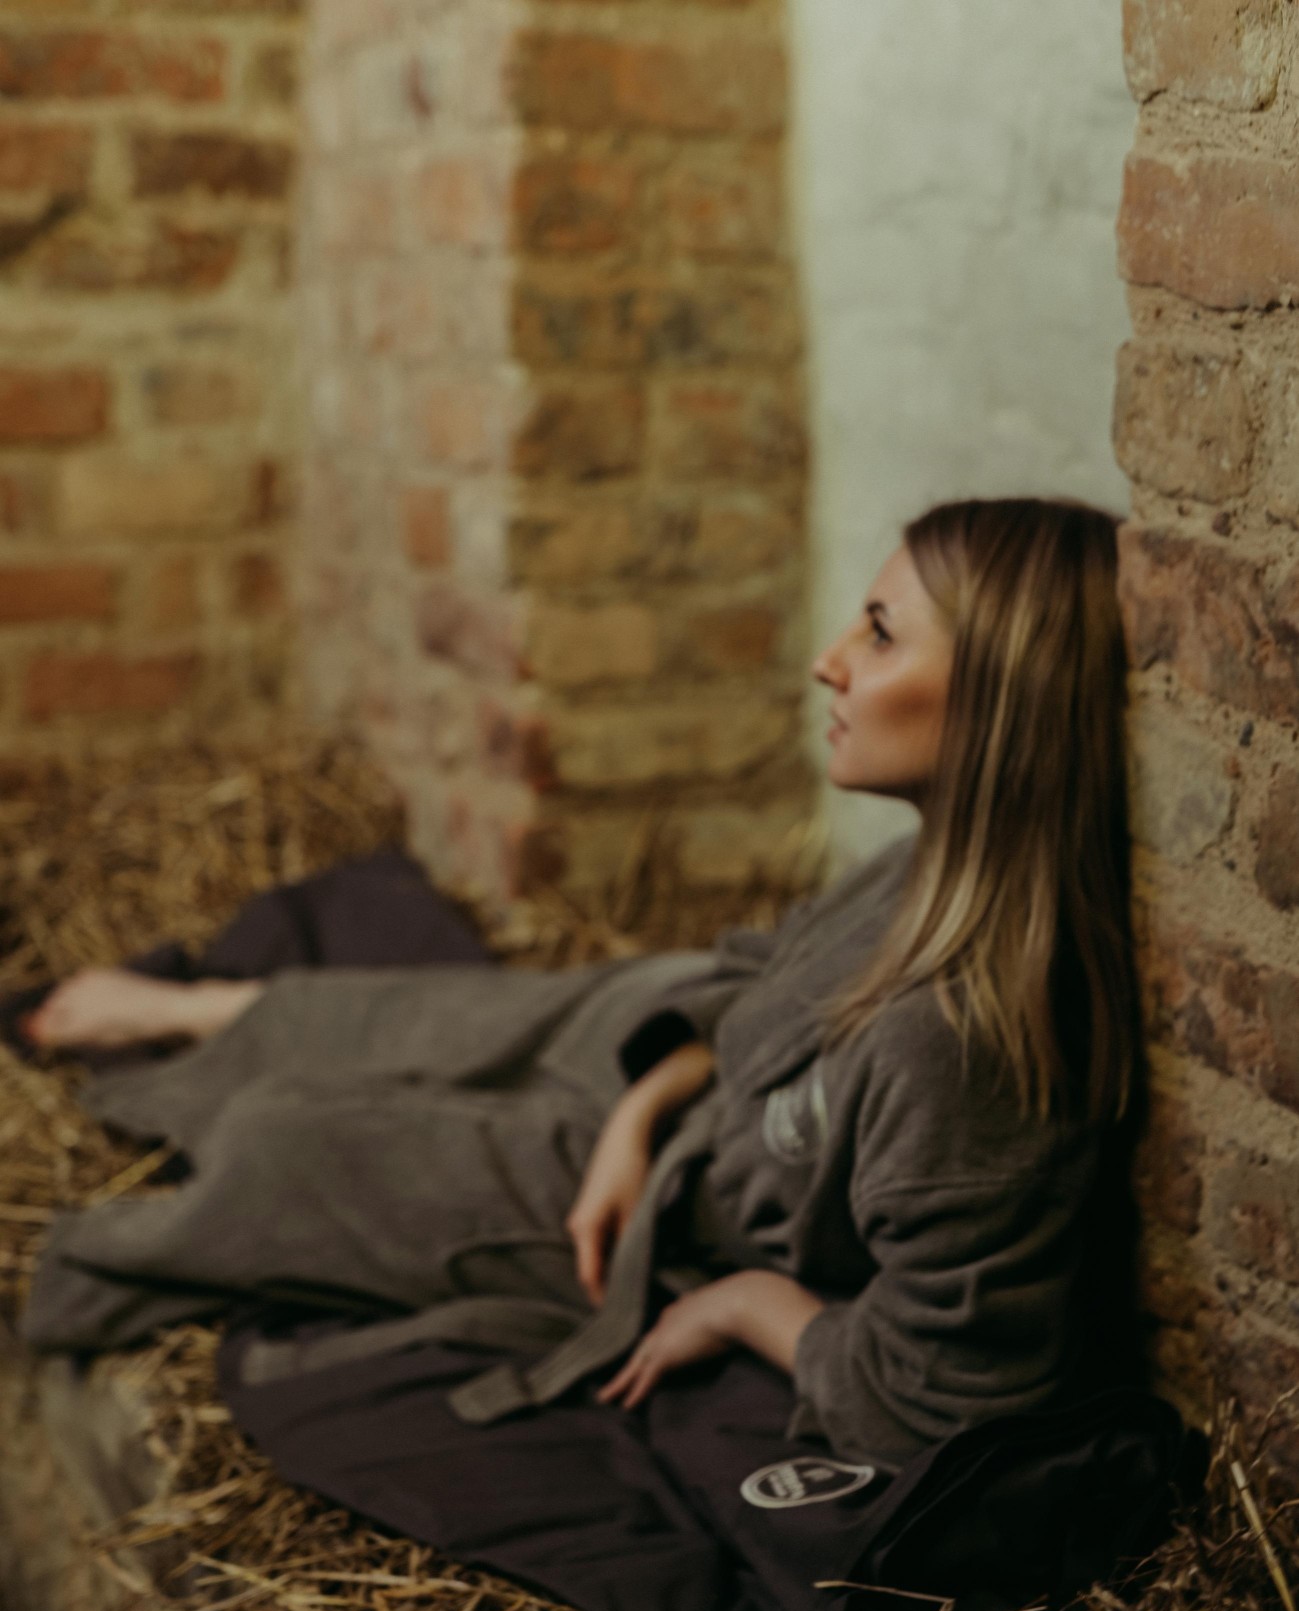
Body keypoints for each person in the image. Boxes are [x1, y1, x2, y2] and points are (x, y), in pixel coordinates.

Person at [19, 497, 1144, 1482]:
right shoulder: (917, 868)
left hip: (683, 1212)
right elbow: (750, 979)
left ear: (1005, 699)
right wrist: (637, 1112)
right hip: (689, 1087)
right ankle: (209, 1011)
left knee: (287, 1146)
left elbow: (945, 1387)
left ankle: (49, 1258)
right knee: (482, 1015)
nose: (828, 660)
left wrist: (748, 1306)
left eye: (882, 633)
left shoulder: (958, 1049)